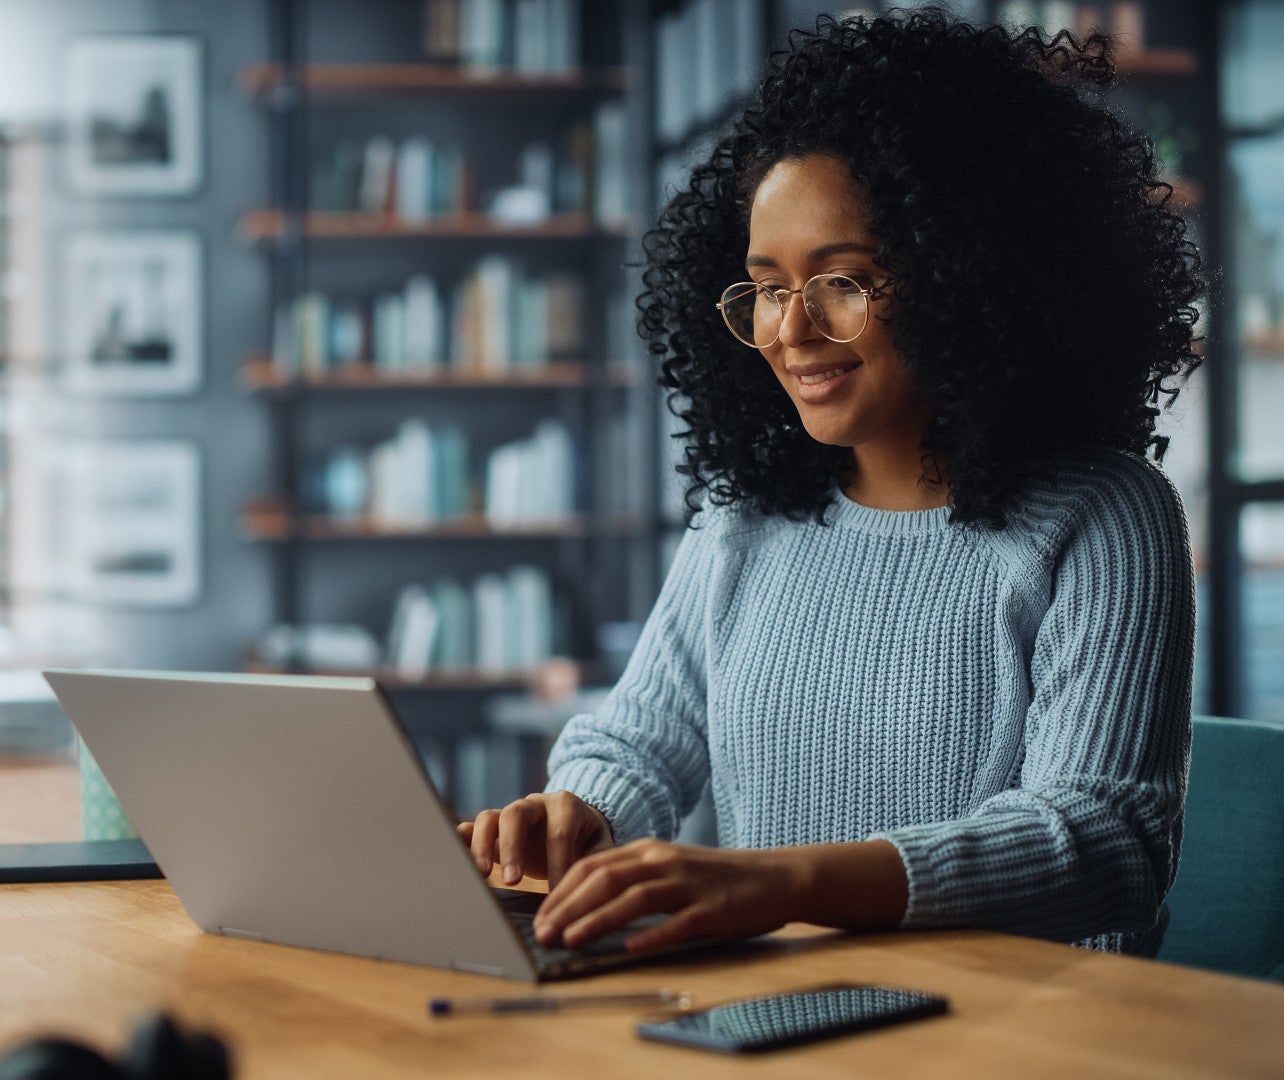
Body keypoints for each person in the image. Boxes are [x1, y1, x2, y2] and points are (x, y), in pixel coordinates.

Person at [458, 7, 1201, 959]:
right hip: (773, 1015)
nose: (790, 330)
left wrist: (777, 884)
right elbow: (635, 745)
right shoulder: (744, 523)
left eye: (842, 280)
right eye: (767, 286)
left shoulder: (1103, 516)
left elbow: (1103, 843)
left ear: (969, 278)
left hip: (1016, 1036)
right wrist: (580, 819)